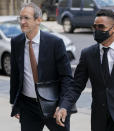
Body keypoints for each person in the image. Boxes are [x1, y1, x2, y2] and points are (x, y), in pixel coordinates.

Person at [10, 2, 73, 131]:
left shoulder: (55, 43)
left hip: (55, 106)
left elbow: (66, 77)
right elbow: (15, 75)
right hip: (28, 107)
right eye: (20, 18)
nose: (22, 22)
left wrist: (63, 105)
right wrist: (15, 104)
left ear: (38, 20)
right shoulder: (16, 42)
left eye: (26, 18)